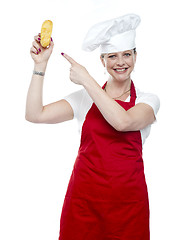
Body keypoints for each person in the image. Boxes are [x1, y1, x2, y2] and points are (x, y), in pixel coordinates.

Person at [26, 13, 160, 240]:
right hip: (83, 203)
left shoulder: (147, 100)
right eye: (112, 56)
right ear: (103, 61)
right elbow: (35, 114)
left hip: (128, 206)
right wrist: (41, 65)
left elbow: (123, 122)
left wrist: (87, 79)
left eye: (127, 54)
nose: (120, 62)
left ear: (136, 57)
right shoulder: (83, 99)